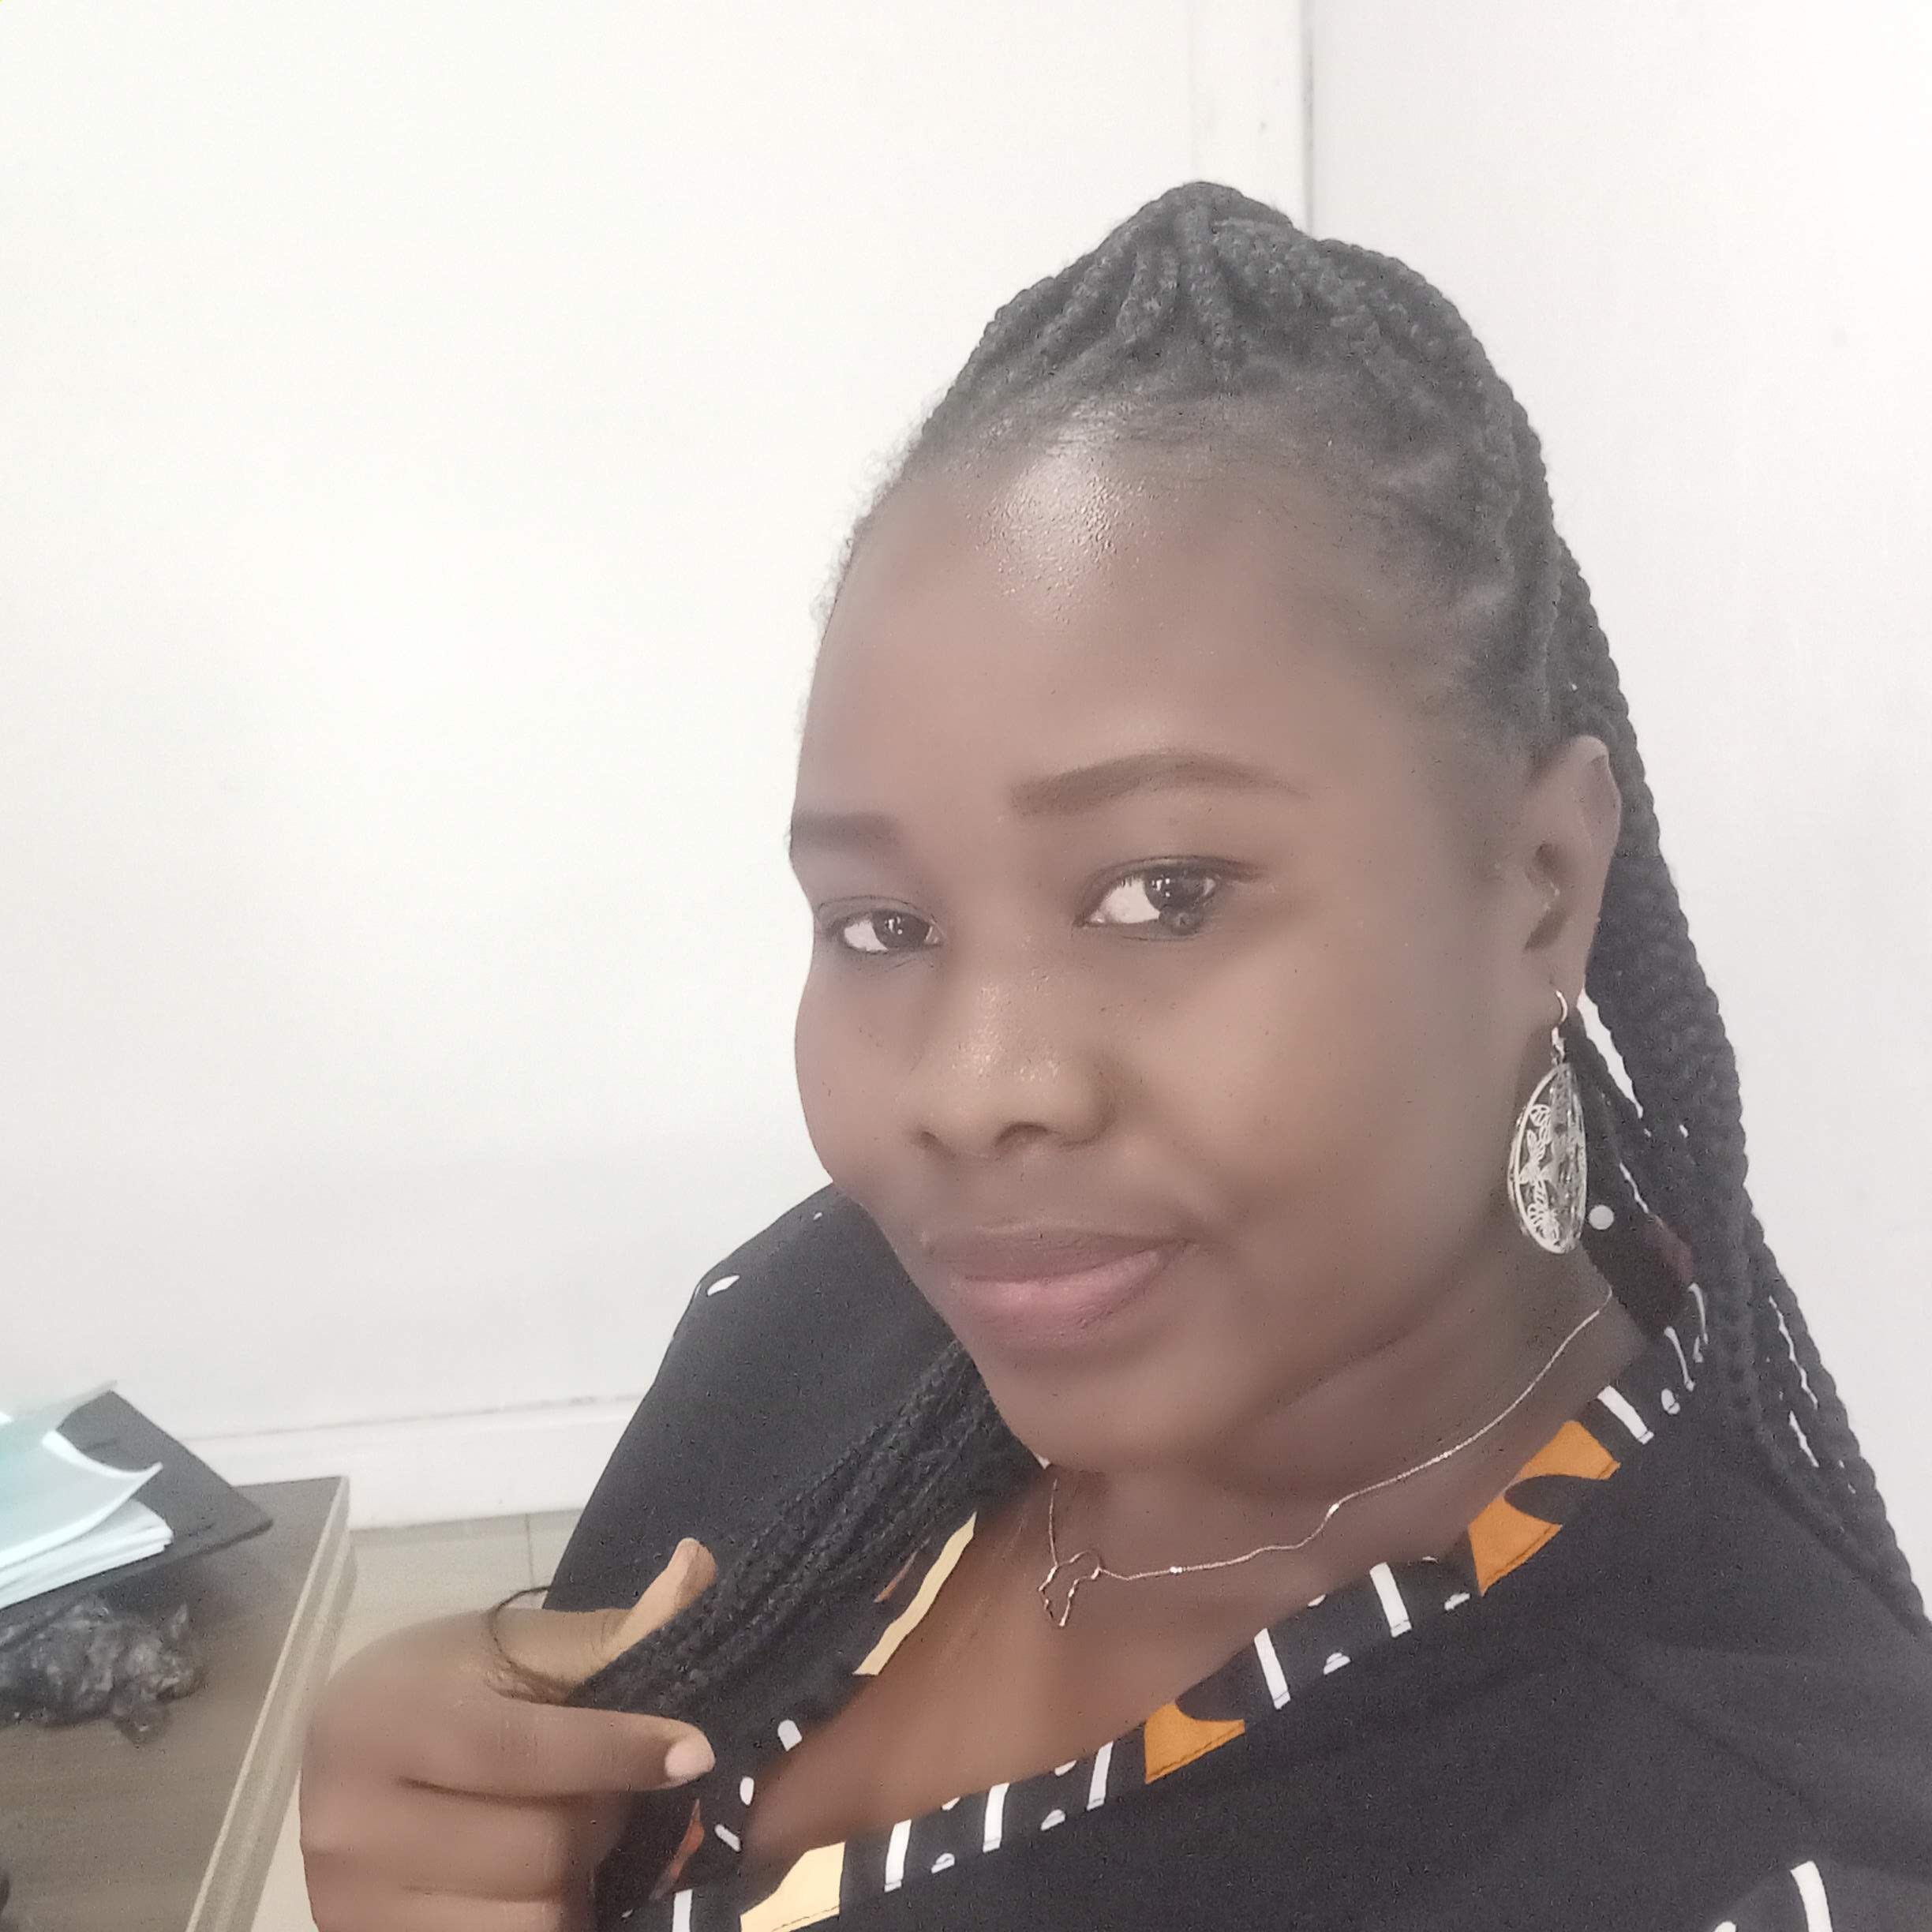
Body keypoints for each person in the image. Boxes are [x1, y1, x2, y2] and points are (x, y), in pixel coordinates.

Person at [298, 183, 1932, 1932]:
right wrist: (461, 1794)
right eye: (883, 926)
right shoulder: (830, 1324)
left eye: (1166, 895)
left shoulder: (1755, 1858)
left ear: (1540, 888)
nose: (970, 1088)